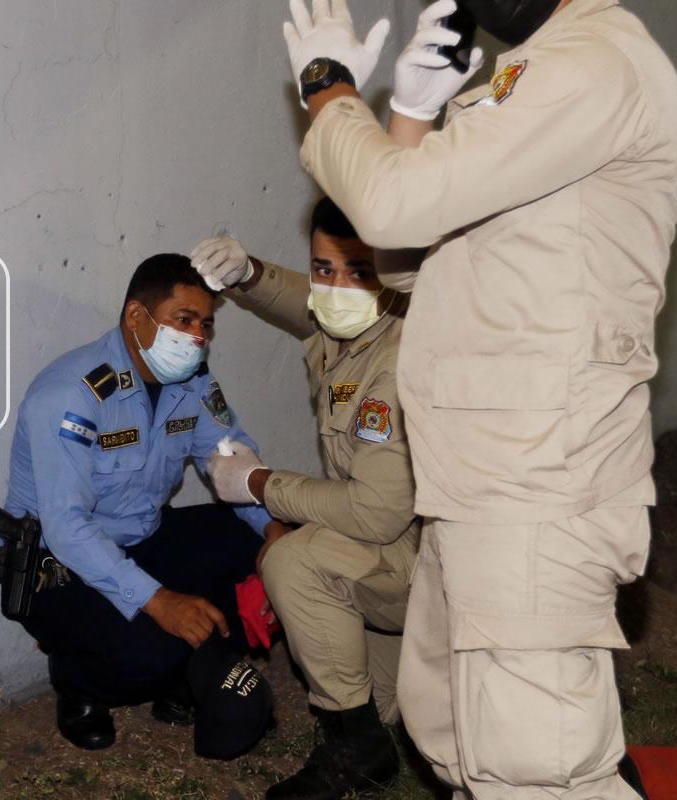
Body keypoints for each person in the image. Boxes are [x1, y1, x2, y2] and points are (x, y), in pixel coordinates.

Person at [279, 0, 677, 797]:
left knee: (534, 769)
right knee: (456, 733)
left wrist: (330, 92)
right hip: (479, 484)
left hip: (539, 485)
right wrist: (413, 116)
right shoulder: (538, 74)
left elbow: (394, 206)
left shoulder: (590, 61)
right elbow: (400, 261)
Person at [4, 253, 289, 751]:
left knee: (288, 553)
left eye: (205, 324)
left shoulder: (193, 383)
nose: (197, 337)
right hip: (59, 565)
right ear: (137, 316)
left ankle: (186, 678)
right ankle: (78, 683)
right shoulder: (71, 393)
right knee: (149, 655)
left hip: (145, 535)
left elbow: (230, 459)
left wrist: (272, 530)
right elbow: (66, 527)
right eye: (184, 320)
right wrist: (159, 601)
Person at [195, 197, 419, 799]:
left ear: (395, 271)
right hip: (397, 556)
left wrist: (262, 485)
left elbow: (375, 513)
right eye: (325, 268)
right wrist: (251, 274)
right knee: (389, 704)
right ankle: (371, 720)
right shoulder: (349, 321)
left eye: (360, 271)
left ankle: (359, 750)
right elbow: (311, 303)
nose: (338, 287)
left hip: (433, 570)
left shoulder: (402, 361)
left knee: (293, 559)